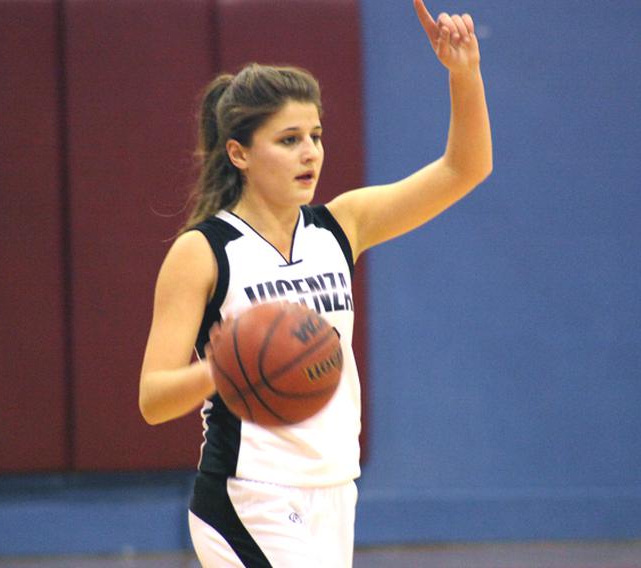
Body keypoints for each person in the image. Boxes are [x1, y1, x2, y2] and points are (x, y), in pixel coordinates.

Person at [138, 0, 491, 566]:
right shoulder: (203, 251)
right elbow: (153, 399)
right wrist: (231, 365)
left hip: (333, 492)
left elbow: (463, 168)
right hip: (248, 496)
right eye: (289, 140)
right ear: (240, 153)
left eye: (316, 136)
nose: (310, 153)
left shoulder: (340, 226)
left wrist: (464, 73)